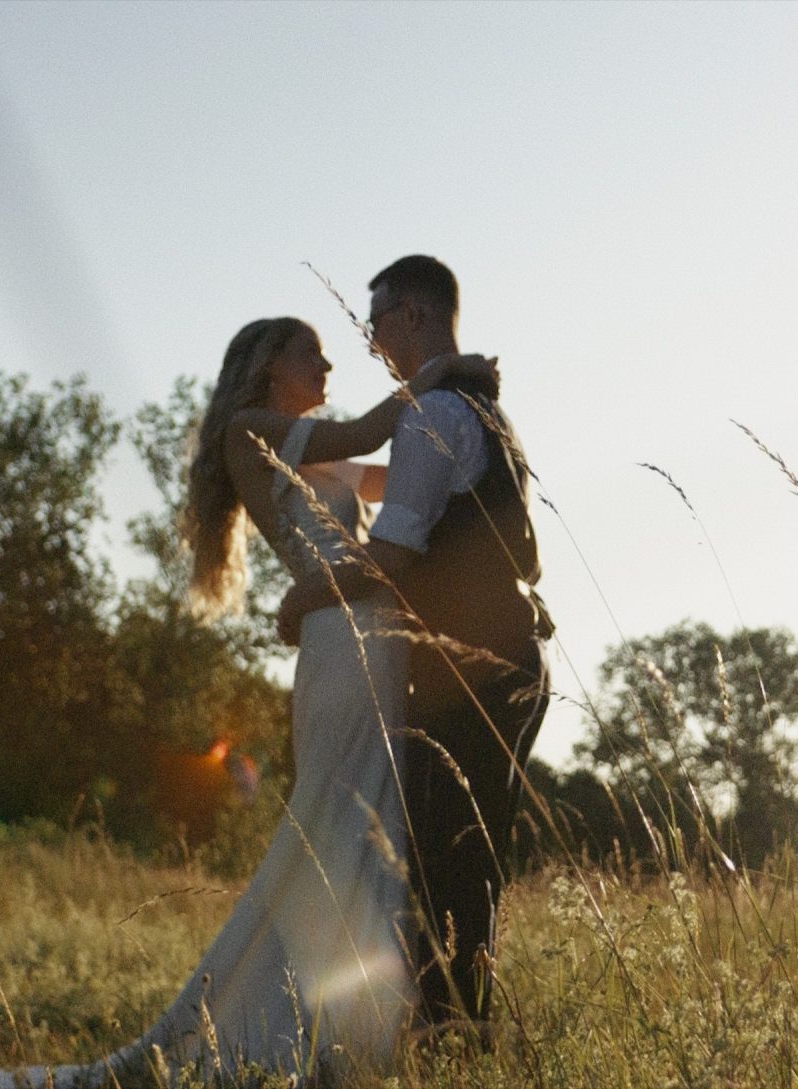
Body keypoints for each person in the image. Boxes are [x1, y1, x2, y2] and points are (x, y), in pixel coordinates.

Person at [0, 317, 493, 1087]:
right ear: (268, 363)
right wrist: (450, 371)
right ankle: (294, 1024)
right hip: (341, 635)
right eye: (312, 352)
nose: (329, 362)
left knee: (372, 827)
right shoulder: (250, 429)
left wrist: (470, 442)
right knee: (339, 820)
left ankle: (353, 1027)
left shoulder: (315, 449)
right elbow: (375, 425)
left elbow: (396, 469)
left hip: (371, 629)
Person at [274, 255, 550, 1037]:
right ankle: (457, 1023)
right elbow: (387, 481)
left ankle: (448, 1031)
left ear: (416, 316)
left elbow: (392, 553)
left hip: (471, 666)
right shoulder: (473, 408)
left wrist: (306, 594)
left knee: (443, 856)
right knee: (467, 852)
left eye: (377, 323)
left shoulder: (437, 414)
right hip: (507, 656)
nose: (371, 342)